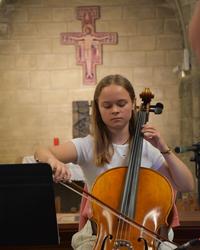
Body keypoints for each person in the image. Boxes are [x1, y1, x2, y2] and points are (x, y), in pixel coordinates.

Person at [34, 74, 194, 250]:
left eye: (121, 103)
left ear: (133, 104)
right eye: (107, 105)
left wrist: (163, 147)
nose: (115, 110)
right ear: (98, 108)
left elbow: (186, 185)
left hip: (144, 235)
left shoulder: (147, 148)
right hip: (100, 235)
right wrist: (52, 161)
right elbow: (41, 151)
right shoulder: (88, 146)